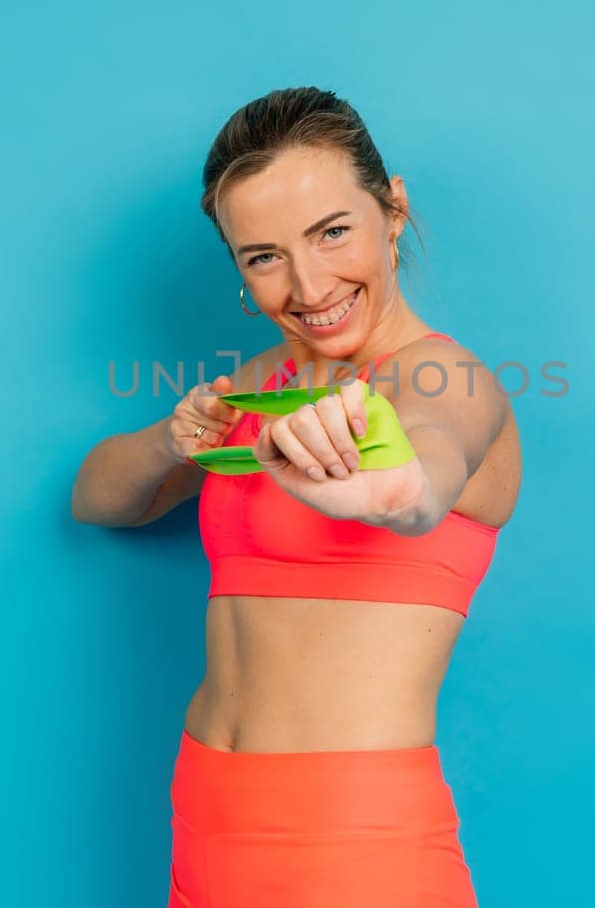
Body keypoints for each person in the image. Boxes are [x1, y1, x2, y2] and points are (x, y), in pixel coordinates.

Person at [71, 87, 522, 907]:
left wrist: (390, 489)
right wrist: (171, 444)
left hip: (351, 842)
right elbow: (96, 499)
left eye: (332, 232)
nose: (308, 286)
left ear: (393, 209)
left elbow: (431, 464)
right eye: (264, 255)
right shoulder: (258, 386)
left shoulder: (449, 377)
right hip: (202, 818)